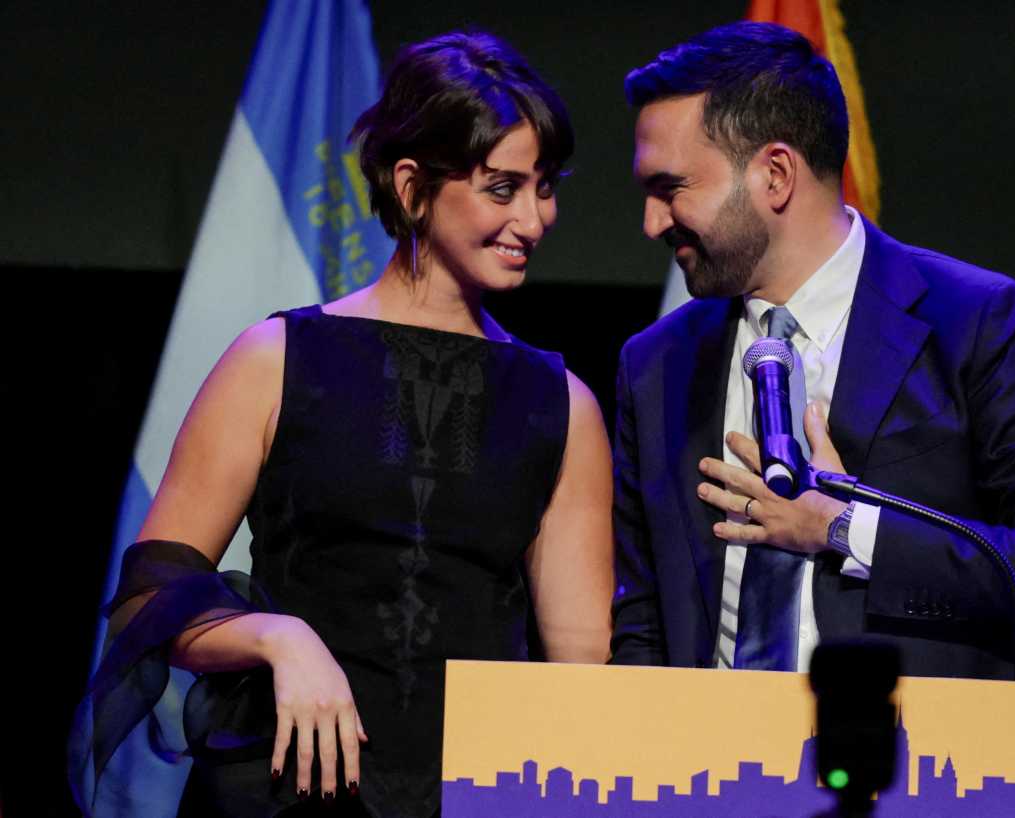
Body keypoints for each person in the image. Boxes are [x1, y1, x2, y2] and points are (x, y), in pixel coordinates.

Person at [72, 31, 613, 818]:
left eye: (546, 186)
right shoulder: (275, 359)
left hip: (476, 797)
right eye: (503, 188)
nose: (534, 218)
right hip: (286, 791)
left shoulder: (561, 402)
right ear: (410, 185)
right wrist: (276, 637)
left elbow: (580, 669)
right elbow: (149, 600)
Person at [609, 22, 1015, 812]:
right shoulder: (656, 363)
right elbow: (644, 616)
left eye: (670, 188)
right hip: (715, 789)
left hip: (936, 788)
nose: (651, 223)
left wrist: (846, 529)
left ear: (774, 174)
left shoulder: (978, 324)